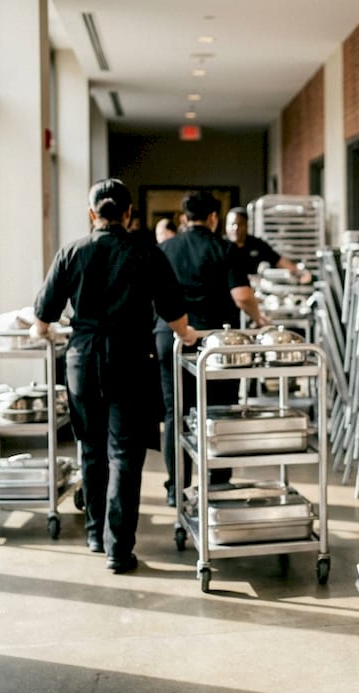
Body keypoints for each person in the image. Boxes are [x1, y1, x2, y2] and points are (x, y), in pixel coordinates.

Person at [32, 178, 198, 574]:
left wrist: (58, 330)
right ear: (128, 215)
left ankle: (94, 533)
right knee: (125, 452)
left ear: (92, 214)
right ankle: (118, 549)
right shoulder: (147, 253)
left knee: (90, 447)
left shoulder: (71, 252)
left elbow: (42, 320)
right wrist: (187, 334)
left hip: (83, 359)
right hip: (130, 358)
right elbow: (177, 317)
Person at [155, 191, 260, 505]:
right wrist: (259, 318)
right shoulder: (224, 249)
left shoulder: (165, 249)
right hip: (217, 345)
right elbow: (242, 295)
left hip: (171, 340)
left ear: (185, 218)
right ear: (214, 218)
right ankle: (217, 484)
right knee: (219, 413)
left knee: (177, 414)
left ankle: (177, 488)